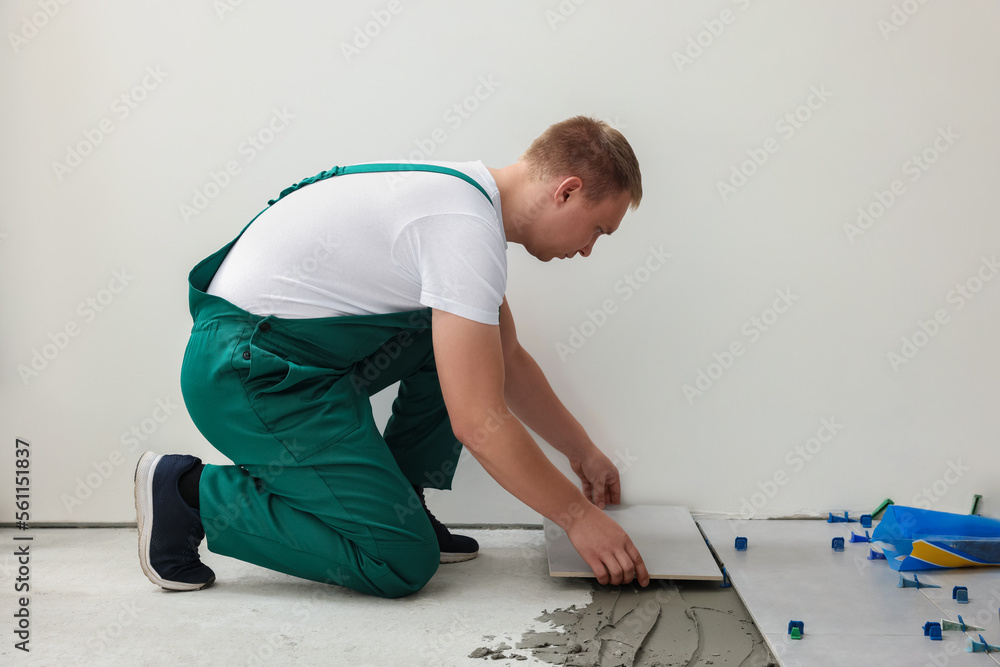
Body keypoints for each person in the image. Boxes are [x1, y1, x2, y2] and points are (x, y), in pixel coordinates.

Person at [133, 116, 649, 599]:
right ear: (567, 191)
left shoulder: (463, 201)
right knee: (400, 561)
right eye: (599, 230)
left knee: (463, 343)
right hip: (247, 376)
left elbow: (506, 357)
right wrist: (578, 518)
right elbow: (478, 421)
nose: (587, 250)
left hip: (290, 363)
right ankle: (188, 496)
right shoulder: (463, 229)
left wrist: (581, 452)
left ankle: (400, 503)